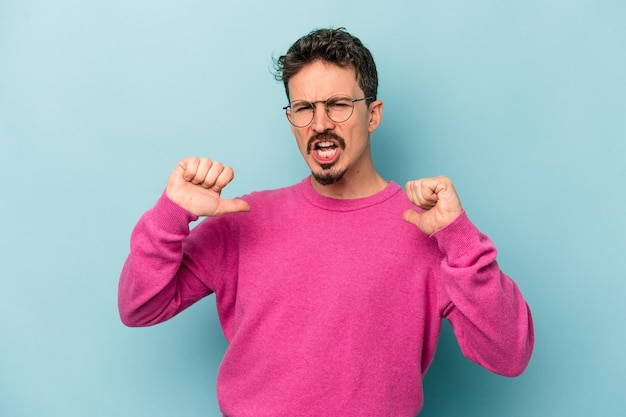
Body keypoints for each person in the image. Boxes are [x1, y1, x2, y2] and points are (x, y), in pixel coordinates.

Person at [118, 27, 534, 416]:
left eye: (338, 105)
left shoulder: (426, 228)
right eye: (304, 108)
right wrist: (172, 214)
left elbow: (509, 354)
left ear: (373, 115)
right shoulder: (243, 220)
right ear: (291, 119)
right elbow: (139, 307)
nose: (320, 124)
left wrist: (458, 236)